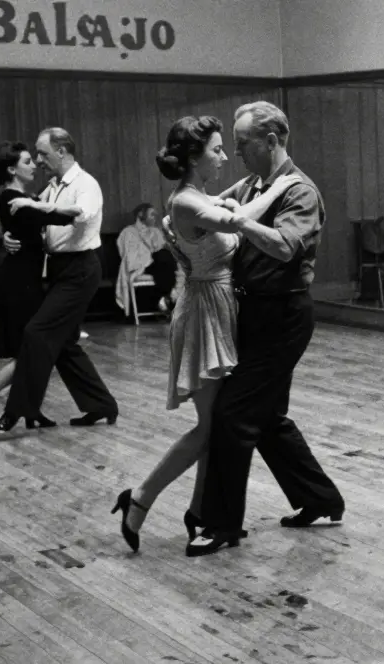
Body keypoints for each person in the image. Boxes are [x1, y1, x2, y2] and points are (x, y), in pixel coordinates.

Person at [110, 115, 297, 552]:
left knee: (220, 425)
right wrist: (280, 187)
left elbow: (228, 200)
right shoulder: (185, 203)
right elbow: (237, 221)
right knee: (209, 427)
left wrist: (256, 183)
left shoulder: (195, 196)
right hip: (204, 313)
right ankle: (140, 497)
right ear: (195, 158)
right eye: (216, 149)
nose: (224, 156)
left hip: (217, 306)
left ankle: (199, 511)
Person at [188, 101, 345, 556]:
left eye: (242, 143)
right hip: (251, 312)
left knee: (233, 414)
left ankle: (221, 524)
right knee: (267, 417)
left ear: (271, 140)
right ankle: (320, 498)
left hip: (284, 316)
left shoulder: (300, 191)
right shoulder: (251, 185)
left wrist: (240, 220)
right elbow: (204, 208)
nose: (235, 152)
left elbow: (285, 247)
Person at [0, 127, 119, 432]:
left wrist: (37, 205)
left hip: (81, 269)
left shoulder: (86, 184)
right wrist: (7, 235)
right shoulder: (53, 186)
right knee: (63, 344)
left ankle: (17, 410)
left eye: (43, 154)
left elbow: (80, 213)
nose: (38, 160)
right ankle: (101, 405)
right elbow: (29, 220)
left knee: (37, 332)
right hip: (59, 269)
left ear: (61, 152)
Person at [0, 141, 80, 433]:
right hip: (18, 285)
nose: (34, 165)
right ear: (12, 169)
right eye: (27, 161)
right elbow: (60, 216)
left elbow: (28, 220)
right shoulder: (13, 199)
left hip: (24, 281)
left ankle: (28, 409)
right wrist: (81, 206)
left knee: (32, 349)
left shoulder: (21, 198)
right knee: (31, 351)